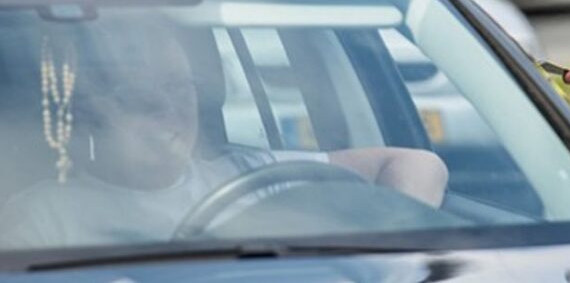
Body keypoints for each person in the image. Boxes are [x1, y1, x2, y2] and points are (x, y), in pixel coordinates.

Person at [0, 23, 448, 248]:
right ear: (95, 112)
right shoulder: (41, 219)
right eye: (142, 97)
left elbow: (417, 164)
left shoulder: (254, 174)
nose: (169, 109)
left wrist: (396, 250)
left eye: (179, 88)